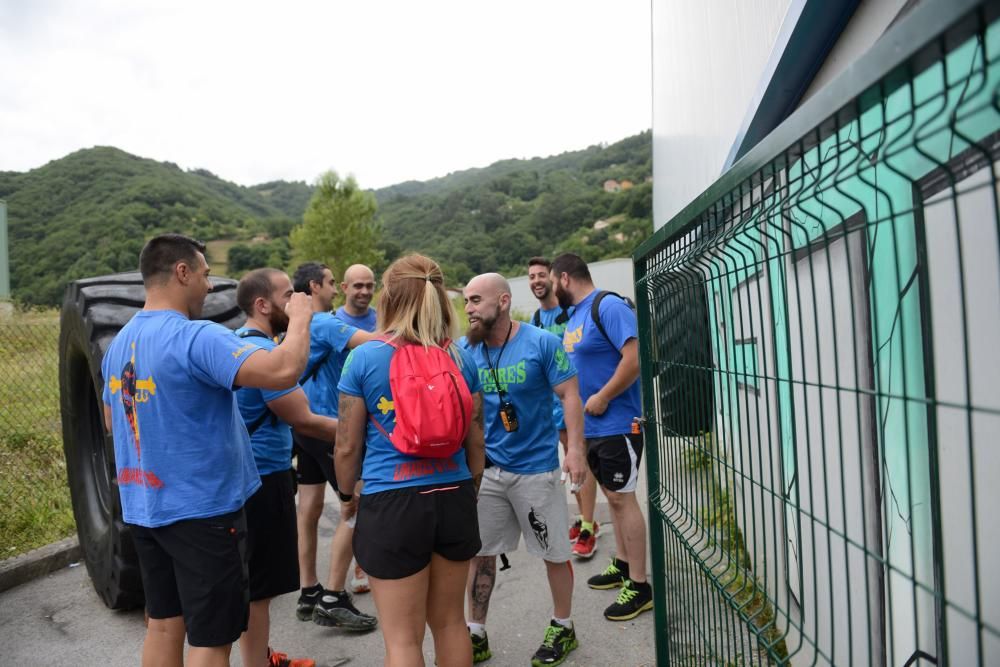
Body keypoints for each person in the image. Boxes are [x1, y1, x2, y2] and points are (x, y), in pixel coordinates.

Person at [101, 234, 313, 667]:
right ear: (182, 272)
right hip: (203, 513)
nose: (209, 285)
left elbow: (113, 421)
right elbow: (282, 369)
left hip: (145, 507)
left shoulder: (120, 344)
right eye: (204, 274)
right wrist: (302, 318)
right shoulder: (196, 336)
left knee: (164, 623)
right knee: (212, 638)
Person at [335, 254, 485, 667]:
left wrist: (347, 495)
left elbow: (346, 446)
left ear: (390, 297)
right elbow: (477, 440)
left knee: (402, 641)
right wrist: (468, 488)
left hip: (392, 502)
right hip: (453, 495)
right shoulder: (460, 358)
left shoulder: (364, 358)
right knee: (452, 624)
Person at [461, 273, 588, 666]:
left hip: (536, 470)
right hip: (491, 472)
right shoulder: (469, 350)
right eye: (466, 301)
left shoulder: (541, 342)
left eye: (476, 300)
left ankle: (562, 626)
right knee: (481, 554)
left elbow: (570, 395)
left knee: (553, 553)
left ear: (502, 301)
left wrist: (576, 450)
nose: (469, 309)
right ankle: (476, 632)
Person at [234, 269, 352, 667]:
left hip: (245, 473)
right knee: (259, 590)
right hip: (264, 477)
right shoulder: (267, 357)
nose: (298, 301)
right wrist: (365, 430)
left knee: (253, 582)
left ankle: (261, 655)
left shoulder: (239, 342)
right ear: (262, 305)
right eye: (289, 296)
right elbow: (305, 419)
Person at [550, 253, 653, 622]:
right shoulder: (575, 315)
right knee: (612, 497)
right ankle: (624, 566)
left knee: (623, 501)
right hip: (591, 429)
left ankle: (640, 586)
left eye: (551, 280)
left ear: (564, 278)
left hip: (617, 424)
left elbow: (635, 356)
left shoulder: (607, 305)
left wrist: (605, 395)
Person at [290, 262, 378, 630]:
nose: (335, 290)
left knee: (308, 508)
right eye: (331, 283)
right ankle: (333, 596)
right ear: (317, 286)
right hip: (329, 426)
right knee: (354, 505)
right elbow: (372, 342)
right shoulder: (323, 320)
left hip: (303, 426)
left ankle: (308, 589)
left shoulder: (299, 324)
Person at [527, 257, 600, 559]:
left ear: (554, 279)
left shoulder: (570, 311)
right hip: (552, 407)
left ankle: (588, 525)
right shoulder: (535, 319)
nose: (536, 281)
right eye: (531, 276)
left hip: (576, 400)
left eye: (542, 275)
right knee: (572, 458)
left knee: (581, 458)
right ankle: (587, 518)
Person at [336, 263, 377, 331]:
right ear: (345, 288)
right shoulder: (334, 321)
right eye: (358, 286)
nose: (365, 292)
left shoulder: (383, 321)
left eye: (369, 286)